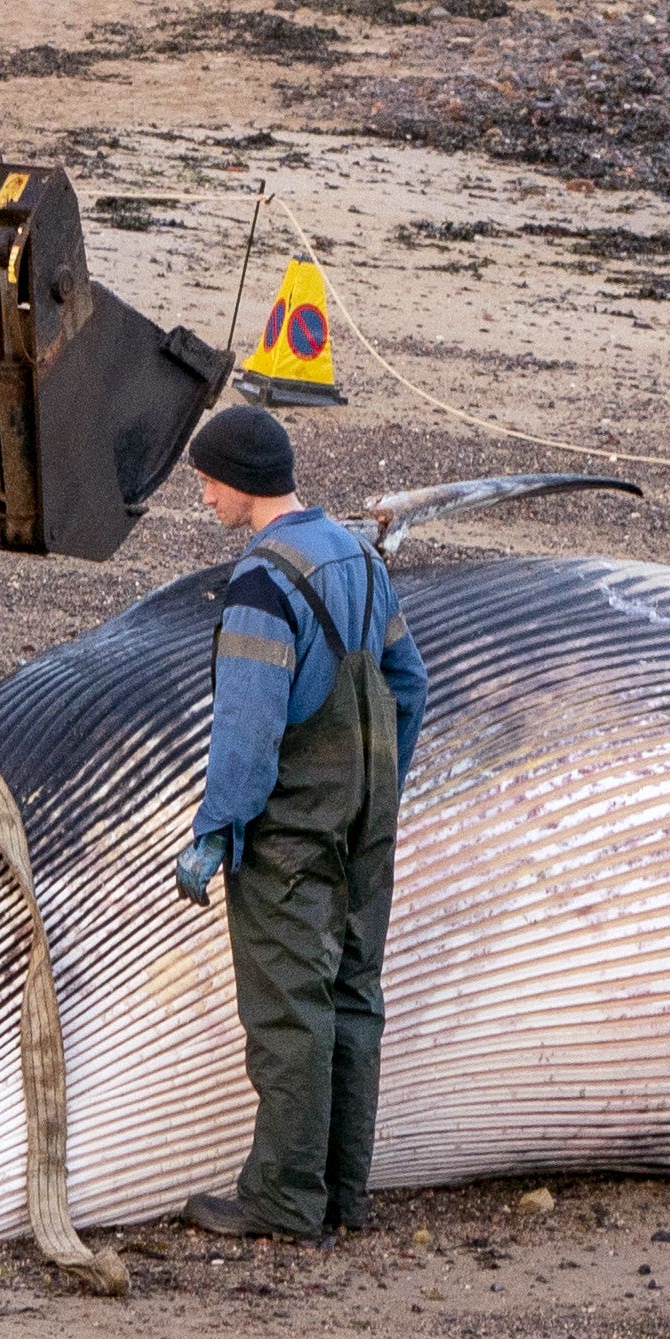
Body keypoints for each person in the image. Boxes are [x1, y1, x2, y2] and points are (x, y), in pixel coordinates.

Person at [166, 404, 425, 1245]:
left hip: (294, 820)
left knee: (289, 1003)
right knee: (354, 988)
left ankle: (282, 1196)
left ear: (240, 479)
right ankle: (345, 1191)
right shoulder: (357, 553)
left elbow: (247, 725)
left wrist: (216, 829)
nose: (202, 496)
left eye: (206, 479)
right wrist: (380, 780)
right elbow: (408, 682)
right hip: (368, 807)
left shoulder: (261, 581)